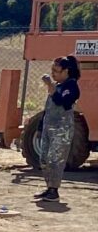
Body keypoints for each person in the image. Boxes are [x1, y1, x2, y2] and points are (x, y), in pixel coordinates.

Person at [34, 55, 82, 203]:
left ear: (66, 71)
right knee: (44, 159)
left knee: (56, 160)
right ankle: (49, 187)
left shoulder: (71, 86)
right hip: (48, 127)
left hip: (62, 130)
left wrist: (51, 87)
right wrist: (39, 128)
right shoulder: (57, 86)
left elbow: (64, 102)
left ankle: (54, 191)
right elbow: (47, 109)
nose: (53, 73)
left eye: (57, 70)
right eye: (52, 70)